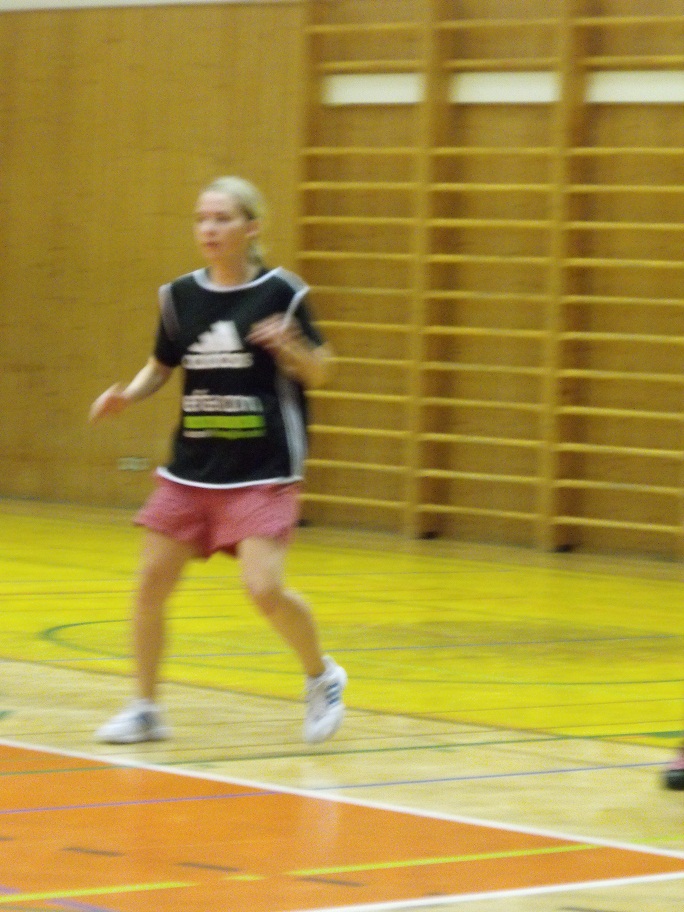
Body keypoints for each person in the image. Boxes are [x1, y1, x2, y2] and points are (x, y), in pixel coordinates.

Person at [89, 175, 346, 745]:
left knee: (264, 589)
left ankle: (321, 677)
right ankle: (145, 708)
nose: (208, 228)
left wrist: (292, 349)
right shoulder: (179, 296)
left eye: (222, 218)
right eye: (202, 218)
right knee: (150, 583)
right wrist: (129, 394)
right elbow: (162, 364)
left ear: (251, 227)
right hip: (192, 468)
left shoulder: (282, 292)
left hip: (263, 467)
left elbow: (323, 371)